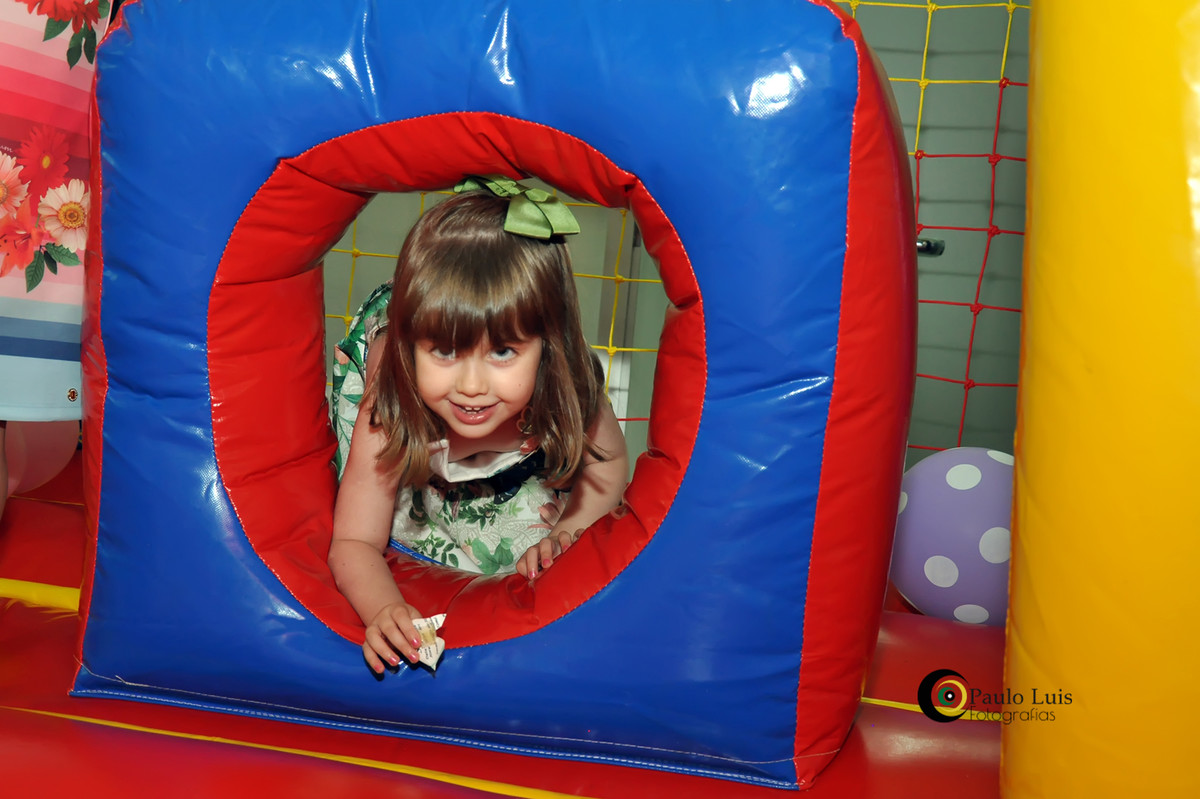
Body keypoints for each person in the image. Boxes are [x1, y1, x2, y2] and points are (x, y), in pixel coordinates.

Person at [328, 176, 628, 673]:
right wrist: (383, 608)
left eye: (503, 352)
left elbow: (609, 465)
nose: (471, 386)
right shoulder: (391, 398)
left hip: (506, 442)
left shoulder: (569, 386)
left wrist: (570, 528)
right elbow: (354, 540)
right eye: (445, 351)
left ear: (547, 345)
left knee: (533, 547)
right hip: (406, 404)